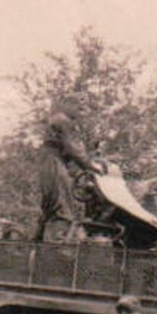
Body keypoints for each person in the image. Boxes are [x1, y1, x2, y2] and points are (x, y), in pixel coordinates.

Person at [35, 104, 104, 242]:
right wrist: (91, 166)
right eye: (80, 108)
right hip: (54, 163)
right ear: (70, 105)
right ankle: (58, 245)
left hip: (50, 163)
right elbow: (72, 148)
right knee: (63, 207)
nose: (82, 113)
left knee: (51, 206)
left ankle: (37, 242)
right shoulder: (63, 120)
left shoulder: (60, 120)